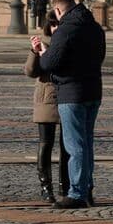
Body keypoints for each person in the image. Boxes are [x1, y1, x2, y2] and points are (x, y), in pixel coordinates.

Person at [36, 0, 104, 209]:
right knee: (87, 143)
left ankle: (77, 193)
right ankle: (87, 189)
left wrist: (43, 54)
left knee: (75, 145)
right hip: (93, 90)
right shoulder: (94, 27)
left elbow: (50, 63)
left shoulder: (66, 29)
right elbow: (100, 57)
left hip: (71, 93)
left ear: (57, 9)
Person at [26, 12, 71, 203]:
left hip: (67, 97)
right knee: (45, 144)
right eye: (52, 25)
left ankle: (65, 186)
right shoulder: (44, 43)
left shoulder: (69, 44)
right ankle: (46, 187)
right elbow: (31, 71)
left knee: (66, 146)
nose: (55, 28)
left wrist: (46, 54)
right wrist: (34, 52)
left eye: (58, 24)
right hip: (46, 99)